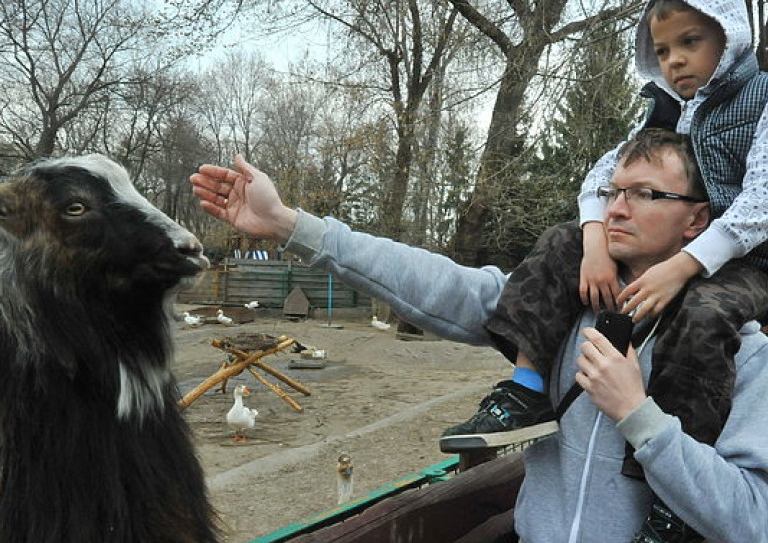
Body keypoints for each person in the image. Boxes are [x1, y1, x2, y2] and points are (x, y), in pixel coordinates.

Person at [190, 128, 768, 542]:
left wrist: (640, 417)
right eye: (613, 191)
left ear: (699, 220)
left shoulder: (742, 349)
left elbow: (753, 515)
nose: (616, 208)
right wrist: (291, 225)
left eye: (644, 193)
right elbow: (438, 283)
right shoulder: (559, 309)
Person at [443, 0, 768, 477]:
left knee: (704, 317)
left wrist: (685, 265)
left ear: (731, 36)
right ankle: (527, 389)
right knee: (560, 241)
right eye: (662, 51)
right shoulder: (669, 111)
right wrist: (594, 240)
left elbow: (762, 202)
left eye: (690, 41)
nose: (676, 60)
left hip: (746, 260)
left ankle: (670, 472)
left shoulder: (762, 99)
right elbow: (602, 174)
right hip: (676, 245)